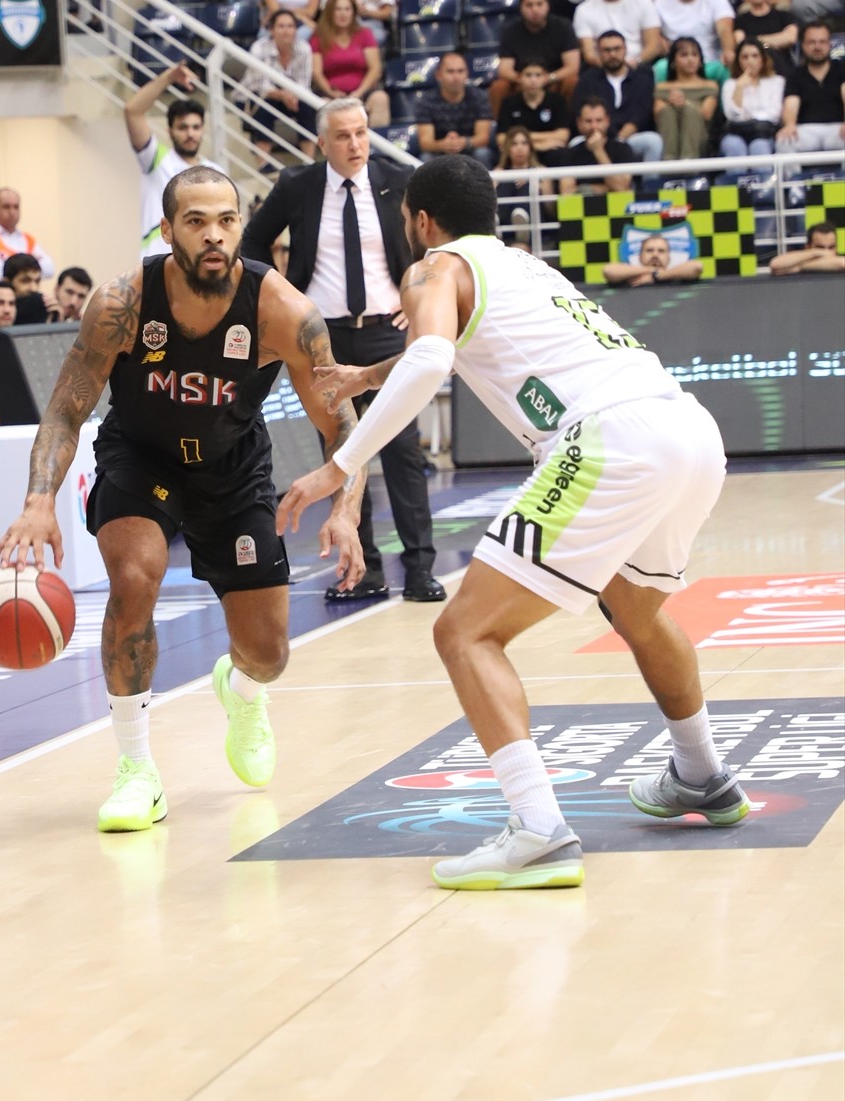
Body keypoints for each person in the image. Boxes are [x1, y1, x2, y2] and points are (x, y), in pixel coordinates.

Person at [276, 154, 749, 891]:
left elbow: (430, 359)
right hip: (686, 429)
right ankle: (702, 773)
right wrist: (365, 375)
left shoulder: (433, 267)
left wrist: (339, 465)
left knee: (463, 633)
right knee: (635, 608)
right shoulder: (525, 266)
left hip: (610, 439)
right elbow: (442, 349)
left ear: (422, 221)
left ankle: (537, 830)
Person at [0, 164, 367, 833]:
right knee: (134, 577)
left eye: (226, 220)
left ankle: (241, 691)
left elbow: (343, 426)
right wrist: (38, 500)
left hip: (232, 468)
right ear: (167, 231)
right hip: (141, 457)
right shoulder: (122, 303)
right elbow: (66, 410)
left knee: (268, 654)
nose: (214, 234)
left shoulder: (283, 311)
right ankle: (136, 770)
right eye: (196, 222)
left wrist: (345, 510)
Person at [243, 98, 445, 603]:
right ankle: (364, 569)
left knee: (402, 450)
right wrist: (285, 297)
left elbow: (434, 246)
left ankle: (420, 569)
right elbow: (253, 241)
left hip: (386, 329)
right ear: (321, 143)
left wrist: (418, 299)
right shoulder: (298, 186)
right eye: (343, 136)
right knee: (343, 449)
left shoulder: (398, 180)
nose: (355, 144)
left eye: (361, 133)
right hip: (325, 337)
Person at [123, 61, 224, 257]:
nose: (190, 134)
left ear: (203, 130)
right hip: (158, 261)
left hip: (198, 262)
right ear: (170, 130)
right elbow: (132, 111)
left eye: (196, 127)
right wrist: (168, 78)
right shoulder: (155, 160)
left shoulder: (215, 172)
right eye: (183, 127)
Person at [237, 9, 318, 172]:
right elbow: (260, 85)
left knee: (307, 106)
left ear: (296, 30)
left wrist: (291, 95)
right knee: (265, 105)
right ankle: (263, 162)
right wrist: (282, 95)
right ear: (271, 30)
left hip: (293, 96)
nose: (286, 30)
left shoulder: (303, 48)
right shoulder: (259, 48)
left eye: (290, 26)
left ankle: (308, 162)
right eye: (281, 26)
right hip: (256, 95)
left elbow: (304, 83)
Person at [571, 30, 663, 164]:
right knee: (575, 143)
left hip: (631, 138)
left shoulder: (642, 79)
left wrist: (619, 140)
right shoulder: (587, 80)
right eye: (607, 50)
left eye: (617, 49)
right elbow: (581, 112)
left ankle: (650, 179)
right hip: (596, 137)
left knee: (653, 141)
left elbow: (641, 115)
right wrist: (601, 136)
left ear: (625, 50)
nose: (612, 54)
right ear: (598, 52)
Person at [490, 0, 582, 117]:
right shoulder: (510, 31)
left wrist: (547, 78)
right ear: (521, 8)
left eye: (539, 4)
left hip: (553, 79)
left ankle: (569, 123)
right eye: (529, 5)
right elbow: (504, 70)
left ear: (548, 6)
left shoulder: (563, 26)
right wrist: (526, 80)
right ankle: (499, 126)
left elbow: (572, 67)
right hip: (522, 82)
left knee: (572, 81)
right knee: (499, 87)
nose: (535, 9)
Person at [310, 0, 390, 127]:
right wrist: (332, 93)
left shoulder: (365, 34)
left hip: (362, 92)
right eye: (338, 9)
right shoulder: (318, 37)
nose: (343, 14)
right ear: (330, 12)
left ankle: (377, 141)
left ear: (353, 13)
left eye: (347, 9)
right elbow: (317, 73)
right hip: (330, 94)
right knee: (322, 104)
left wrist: (358, 93)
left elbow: (375, 69)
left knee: (380, 99)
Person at [415, 51, 496, 168]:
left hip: (470, 150)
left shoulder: (479, 97)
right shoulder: (426, 100)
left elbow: (483, 138)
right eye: (450, 71)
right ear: (438, 75)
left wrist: (463, 142)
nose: (456, 77)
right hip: (440, 152)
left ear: (467, 73)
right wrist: (444, 145)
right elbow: (425, 143)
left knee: (483, 153)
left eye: (460, 71)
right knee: (426, 157)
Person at [655, 0, 735, 84]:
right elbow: (652, 33)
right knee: (659, 68)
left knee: (725, 68)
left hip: (709, 62)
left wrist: (728, 52)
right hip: (674, 64)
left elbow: (724, 30)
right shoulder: (660, 3)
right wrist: (661, 42)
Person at [776, 22, 845, 154]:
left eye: (822, 42)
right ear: (803, 45)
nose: (817, 47)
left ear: (830, 44)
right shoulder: (795, 74)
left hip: (838, 128)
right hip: (806, 130)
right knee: (784, 141)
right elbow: (791, 104)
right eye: (812, 42)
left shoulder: (842, 69)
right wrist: (790, 125)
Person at [573, 0, 662, 70]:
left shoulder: (643, 1)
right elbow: (589, 53)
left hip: (638, 66)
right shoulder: (583, 10)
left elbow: (653, 45)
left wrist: (635, 62)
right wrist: (613, 69)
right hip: (601, 69)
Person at [0, 188, 55, 283]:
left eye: (16, 207)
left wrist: (11, 267)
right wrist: (32, 267)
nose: (12, 212)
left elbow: (50, 269)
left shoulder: (28, 239)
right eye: (6, 207)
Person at [653, 37, 720, 161]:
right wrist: (671, 102)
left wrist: (685, 103)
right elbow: (658, 114)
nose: (690, 60)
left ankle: (689, 160)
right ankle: (669, 160)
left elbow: (706, 114)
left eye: (694, 55)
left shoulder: (710, 85)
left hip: (699, 138)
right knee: (667, 111)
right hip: (669, 133)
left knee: (690, 111)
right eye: (684, 55)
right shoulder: (662, 87)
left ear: (700, 60)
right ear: (673, 60)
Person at [496, 61, 572, 163]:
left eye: (538, 75)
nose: (533, 80)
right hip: (520, 153)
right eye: (528, 75)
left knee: (561, 153)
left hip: (548, 151)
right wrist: (537, 145)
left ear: (545, 77)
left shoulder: (557, 101)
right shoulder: (509, 103)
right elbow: (501, 138)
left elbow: (563, 135)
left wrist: (522, 140)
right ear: (519, 78)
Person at [720, 38, 784, 158]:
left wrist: (748, 118)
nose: (750, 61)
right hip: (736, 133)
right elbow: (731, 115)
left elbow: (774, 114)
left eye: (755, 56)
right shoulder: (730, 84)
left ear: (763, 59)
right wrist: (739, 87)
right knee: (734, 146)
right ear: (738, 61)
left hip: (764, 133)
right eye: (745, 57)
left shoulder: (777, 82)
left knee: (759, 147)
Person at [559, 96, 636, 193]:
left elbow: (622, 188)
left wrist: (598, 151)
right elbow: (567, 193)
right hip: (584, 203)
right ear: (579, 123)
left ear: (607, 121)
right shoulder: (569, 154)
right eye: (588, 121)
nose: (594, 126)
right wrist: (606, 188)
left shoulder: (623, 150)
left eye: (599, 120)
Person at [495, 126, 552, 248]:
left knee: (529, 185)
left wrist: (534, 181)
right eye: (514, 144)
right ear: (508, 148)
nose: (519, 148)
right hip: (506, 221)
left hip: (534, 223)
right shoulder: (498, 172)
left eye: (524, 143)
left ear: (530, 147)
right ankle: (497, 221)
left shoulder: (541, 171)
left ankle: (522, 219)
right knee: (505, 182)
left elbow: (550, 206)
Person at [734, 0, 798, 78]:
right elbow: (741, 43)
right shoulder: (740, 20)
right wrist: (773, 42)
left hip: (781, 69)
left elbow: (790, 38)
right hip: (752, 72)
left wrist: (757, 41)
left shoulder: (783, 15)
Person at [602, 231, 704, 284]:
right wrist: (652, 271)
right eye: (649, 250)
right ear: (640, 255)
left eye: (661, 251)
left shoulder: (676, 275)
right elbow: (608, 270)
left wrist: (657, 276)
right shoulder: (631, 276)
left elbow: (697, 266)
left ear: (668, 257)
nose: (655, 255)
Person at [769, 221, 845, 273]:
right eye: (820, 248)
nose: (826, 252)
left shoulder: (798, 265)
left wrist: (801, 267)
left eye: (831, 247)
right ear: (808, 246)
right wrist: (816, 253)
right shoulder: (799, 259)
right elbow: (775, 264)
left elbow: (843, 263)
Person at [3, 253, 57, 324]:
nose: (33, 288)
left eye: (37, 281)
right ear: (7, 283)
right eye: (25, 281)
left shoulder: (44, 306)